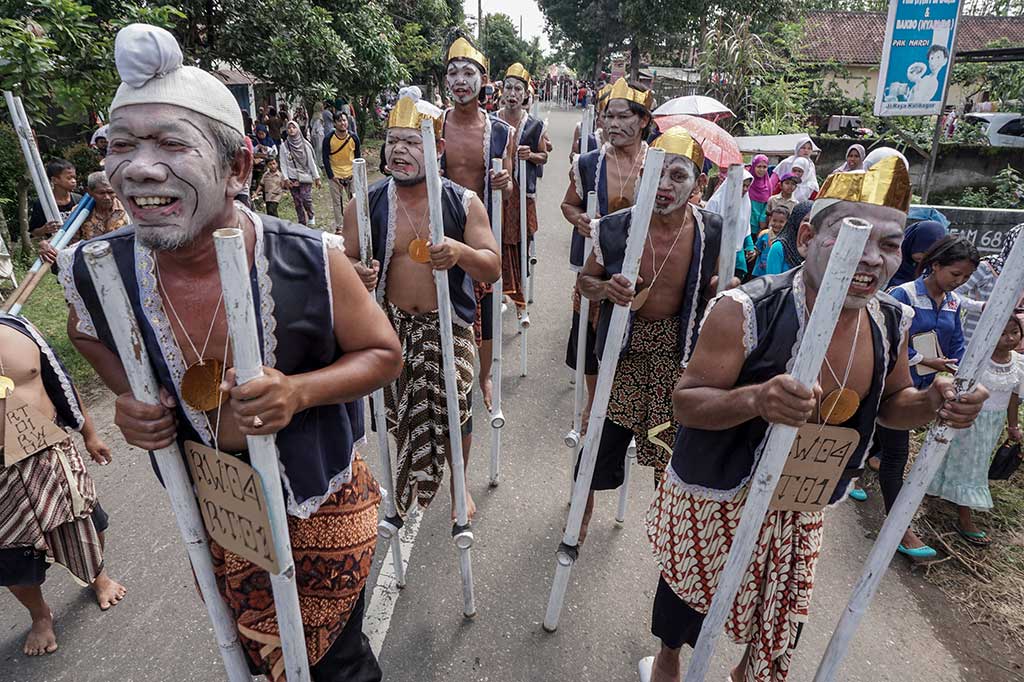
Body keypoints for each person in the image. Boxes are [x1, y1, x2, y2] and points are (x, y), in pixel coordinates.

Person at [59, 24, 401, 680]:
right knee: (250, 655)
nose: (139, 168)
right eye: (121, 146)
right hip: (218, 515)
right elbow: (83, 334)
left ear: (238, 167)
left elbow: (383, 353)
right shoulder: (96, 270)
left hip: (321, 501)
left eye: (169, 144)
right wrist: (130, 395)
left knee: (333, 664)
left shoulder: (308, 258)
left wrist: (299, 391)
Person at [642, 154, 988, 682]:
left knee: (779, 624)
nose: (872, 259)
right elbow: (687, 402)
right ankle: (667, 664)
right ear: (806, 237)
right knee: (687, 605)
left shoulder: (892, 320)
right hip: (718, 492)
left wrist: (933, 402)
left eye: (890, 245)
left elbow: (892, 407)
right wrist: (756, 401)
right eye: (853, 236)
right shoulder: (745, 309)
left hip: (803, 504)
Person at [343, 90, 500, 520]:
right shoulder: (366, 201)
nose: (399, 150)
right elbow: (343, 257)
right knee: (400, 410)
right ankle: (407, 478)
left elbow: (491, 267)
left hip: (449, 327)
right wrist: (357, 271)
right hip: (390, 328)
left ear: (437, 148)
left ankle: (458, 484)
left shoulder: (463, 202)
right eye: (393, 141)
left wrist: (458, 253)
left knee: (456, 406)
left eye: (412, 142)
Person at [574, 127, 722, 541]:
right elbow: (585, 283)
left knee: (674, 451)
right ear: (642, 174)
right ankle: (580, 519)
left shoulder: (714, 232)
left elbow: (729, 290)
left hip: (679, 356)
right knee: (600, 442)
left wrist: (720, 294)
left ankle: (669, 529)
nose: (664, 185)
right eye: (657, 173)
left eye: (679, 176)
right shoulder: (615, 228)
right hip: (624, 354)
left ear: (699, 184)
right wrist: (606, 288)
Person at [1, 312, 125, 657]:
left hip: (49, 449)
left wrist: (90, 433)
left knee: (86, 520)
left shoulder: (18, 328)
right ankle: (39, 615)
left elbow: (60, 382)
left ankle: (96, 575)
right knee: (9, 556)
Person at [860, 236, 978, 556]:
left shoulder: (953, 303)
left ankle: (855, 472)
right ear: (935, 265)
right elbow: (886, 338)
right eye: (955, 274)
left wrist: (956, 370)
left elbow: (956, 343)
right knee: (896, 454)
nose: (959, 282)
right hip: (894, 384)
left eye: (966, 278)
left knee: (880, 435)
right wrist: (923, 360)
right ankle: (900, 529)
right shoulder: (903, 295)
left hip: (925, 386)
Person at [562, 77, 654, 433]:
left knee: (636, 333)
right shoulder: (589, 163)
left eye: (622, 117)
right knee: (587, 329)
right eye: (607, 117)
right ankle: (593, 398)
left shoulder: (659, 163)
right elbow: (569, 204)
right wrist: (580, 220)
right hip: (597, 264)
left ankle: (628, 401)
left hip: (643, 265)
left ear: (643, 120)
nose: (612, 124)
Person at [440, 36, 512, 411]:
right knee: (442, 304)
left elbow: (510, 181)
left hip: (482, 230)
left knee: (483, 310)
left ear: (484, 80)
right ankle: (446, 370)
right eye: (453, 72)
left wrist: (506, 181)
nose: (460, 80)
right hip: (441, 226)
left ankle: (482, 376)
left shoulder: (500, 131)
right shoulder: (433, 125)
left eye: (468, 72)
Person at [928, 316, 1023, 545]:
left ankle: (944, 494)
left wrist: (1013, 426)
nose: (1010, 338)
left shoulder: (1018, 363)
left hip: (992, 424)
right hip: (969, 418)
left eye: (1015, 332)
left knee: (974, 463)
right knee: (967, 464)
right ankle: (964, 516)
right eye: (1003, 333)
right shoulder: (978, 358)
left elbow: (1013, 398)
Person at [496, 63, 551, 313]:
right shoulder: (491, 121)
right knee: (494, 240)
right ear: (502, 91)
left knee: (519, 243)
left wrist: (530, 156)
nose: (512, 93)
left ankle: (518, 295)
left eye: (518, 89)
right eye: (508, 87)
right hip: (496, 194)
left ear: (525, 94)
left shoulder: (534, 125)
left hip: (523, 196)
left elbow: (544, 157)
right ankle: (497, 291)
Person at [39, 171, 128, 264]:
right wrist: (48, 244)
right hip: (91, 264)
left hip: (123, 262)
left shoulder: (129, 209)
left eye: (111, 192)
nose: (107, 197)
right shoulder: (80, 212)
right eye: (101, 193)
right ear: (90, 192)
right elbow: (67, 238)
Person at [958, 224, 1024, 346]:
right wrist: (980, 306)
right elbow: (953, 294)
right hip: (976, 339)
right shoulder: (987, 268)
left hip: (1011, 345)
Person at [323, 111, 362, 232]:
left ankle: (355, 222)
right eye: (339, 121)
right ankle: (340, 226)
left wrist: (357, 173)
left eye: (344, 120)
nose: (342, 123)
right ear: (335, 123)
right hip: (335, 174)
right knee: (337, 202)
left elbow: (357, 156)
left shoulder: (354, 138)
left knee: (355, 200)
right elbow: (325, 157)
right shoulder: (329, 138)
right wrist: (331, 175)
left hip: (351, 173)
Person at [279, 119, 321, 226]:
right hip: (292, 177)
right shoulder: (284, 146)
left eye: (294, 127)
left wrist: (316, 177)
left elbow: (311, 162)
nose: (291, 130)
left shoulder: (305, 145)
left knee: (306, 198)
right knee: (297, 201)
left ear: (298, 129)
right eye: (289, 128)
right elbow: (283, 163)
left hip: (305, 175)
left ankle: (311, 214)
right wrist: (286, 178)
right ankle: (302, 222)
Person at [29, 159, 81, 238]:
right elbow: (33, 232)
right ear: (54, 180)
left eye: (74, 178)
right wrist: (44, 229)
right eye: (69, 178)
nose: (73, 181)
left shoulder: (79, 200)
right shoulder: (43, 204)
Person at [890, 219, 947, 287]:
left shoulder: (935, 268)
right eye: (922, 250)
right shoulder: (890, 261)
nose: (924, 257)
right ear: (911, 242)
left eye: (931, 253)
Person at [763, 200, 812, 276]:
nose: (809, 225)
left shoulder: (814, 248)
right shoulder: (779, 247)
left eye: (813, 221)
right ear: (796, 220)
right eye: (806, 220)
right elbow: (773, 282)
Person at [751, 205, 789, 277]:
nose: (777, 224)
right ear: (770, 219)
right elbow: (757, 249)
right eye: (774, 220)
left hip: (775, 273)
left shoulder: (786, 240)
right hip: (759, 272)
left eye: (781, 222)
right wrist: (753, 252)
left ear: (787, 222)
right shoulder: (764, 234)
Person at [747, 154, 772, 235]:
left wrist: (763, 220)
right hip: (746, 221)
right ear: (753, 166)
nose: (761, 169)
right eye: (759, 166)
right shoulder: (747, 182)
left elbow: (767, 205)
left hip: (760, 225)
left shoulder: (768, 185)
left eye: (764, 167)